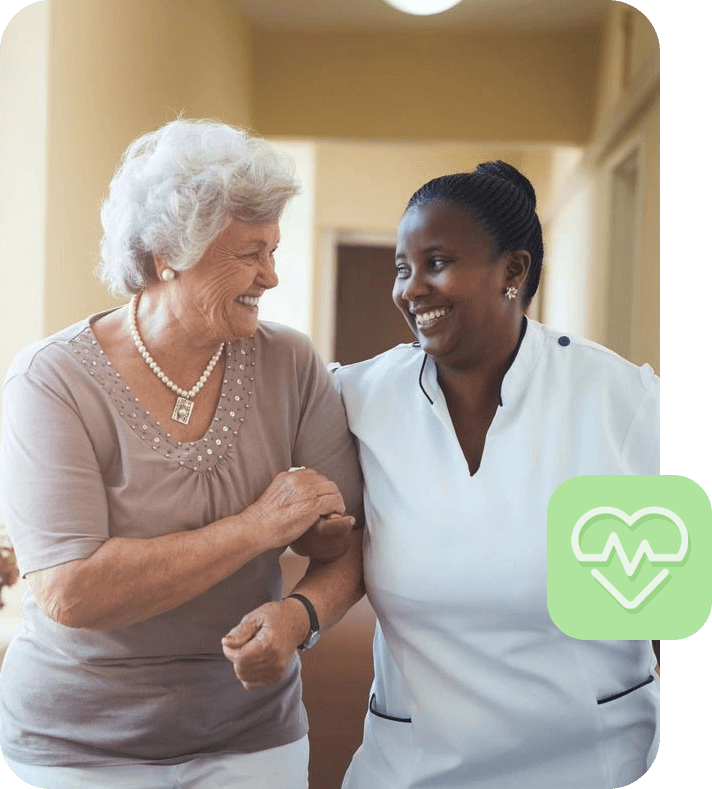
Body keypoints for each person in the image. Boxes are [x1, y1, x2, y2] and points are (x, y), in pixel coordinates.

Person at [228, 161, 660, 788]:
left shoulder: (622, 403)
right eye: (403, 268)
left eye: (436, 263)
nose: (410, 289)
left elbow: (676, 610)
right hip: (415, 765)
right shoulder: (357, 399)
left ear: (513, 271)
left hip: (592, 761)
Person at [0, 118, 364, 789]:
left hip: (253, 732)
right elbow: (72, 591)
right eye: (250, 252)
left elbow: (349, 544)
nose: (272, 274)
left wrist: (299, 614)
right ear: (169, 250)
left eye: (274, 248)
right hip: (78, 746)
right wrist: (261, 526)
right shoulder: (50, 379)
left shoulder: (289, 361)